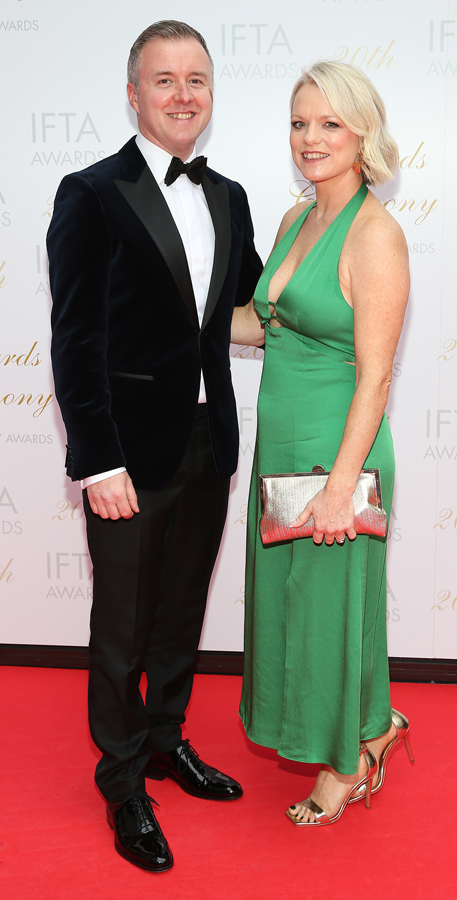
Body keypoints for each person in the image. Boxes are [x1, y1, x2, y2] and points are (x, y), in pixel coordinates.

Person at [48, 20, 262, 870]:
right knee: (121, 629)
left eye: (197, 80)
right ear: (133, 94)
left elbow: (250, 306)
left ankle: (168, 741)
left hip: (209, 441)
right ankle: (124, 779)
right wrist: (97, 460)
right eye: (164, 80)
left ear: (211, 94)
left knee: (180, 615)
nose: (183, 94)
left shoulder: (230, 196)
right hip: (127, 458)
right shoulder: (91, 192)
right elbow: (74, 341)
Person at [231, 61, 413, 826]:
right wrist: (164, 307)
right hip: (280, 451)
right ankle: (376, 725)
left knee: (333, 614)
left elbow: (374, 377)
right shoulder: (292, 219)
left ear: (363, 133)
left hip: (338, 458)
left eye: (329, 124)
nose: (310, 138)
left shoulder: (374, 235)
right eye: (300, 123)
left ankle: (350, 764)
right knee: (291, 610)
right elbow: (259, 326)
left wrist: (341, 486)